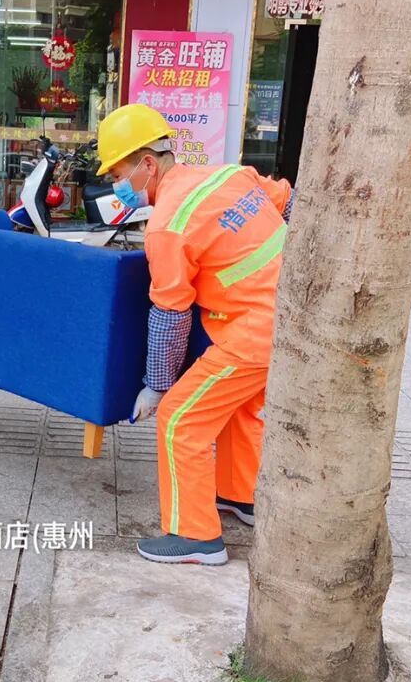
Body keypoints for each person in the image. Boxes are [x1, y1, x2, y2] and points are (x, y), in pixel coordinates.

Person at [96, 104, 293, 565]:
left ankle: (196, 536)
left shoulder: (167, 226)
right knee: (240, 409)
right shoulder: (228, 175)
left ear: (148, 164)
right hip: (287, 322)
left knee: (181, 420)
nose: (117, 186)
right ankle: (241, 497)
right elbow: (288, 199)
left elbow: (170, 315)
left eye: (118, 174)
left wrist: (157, 387)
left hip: (252, 334)